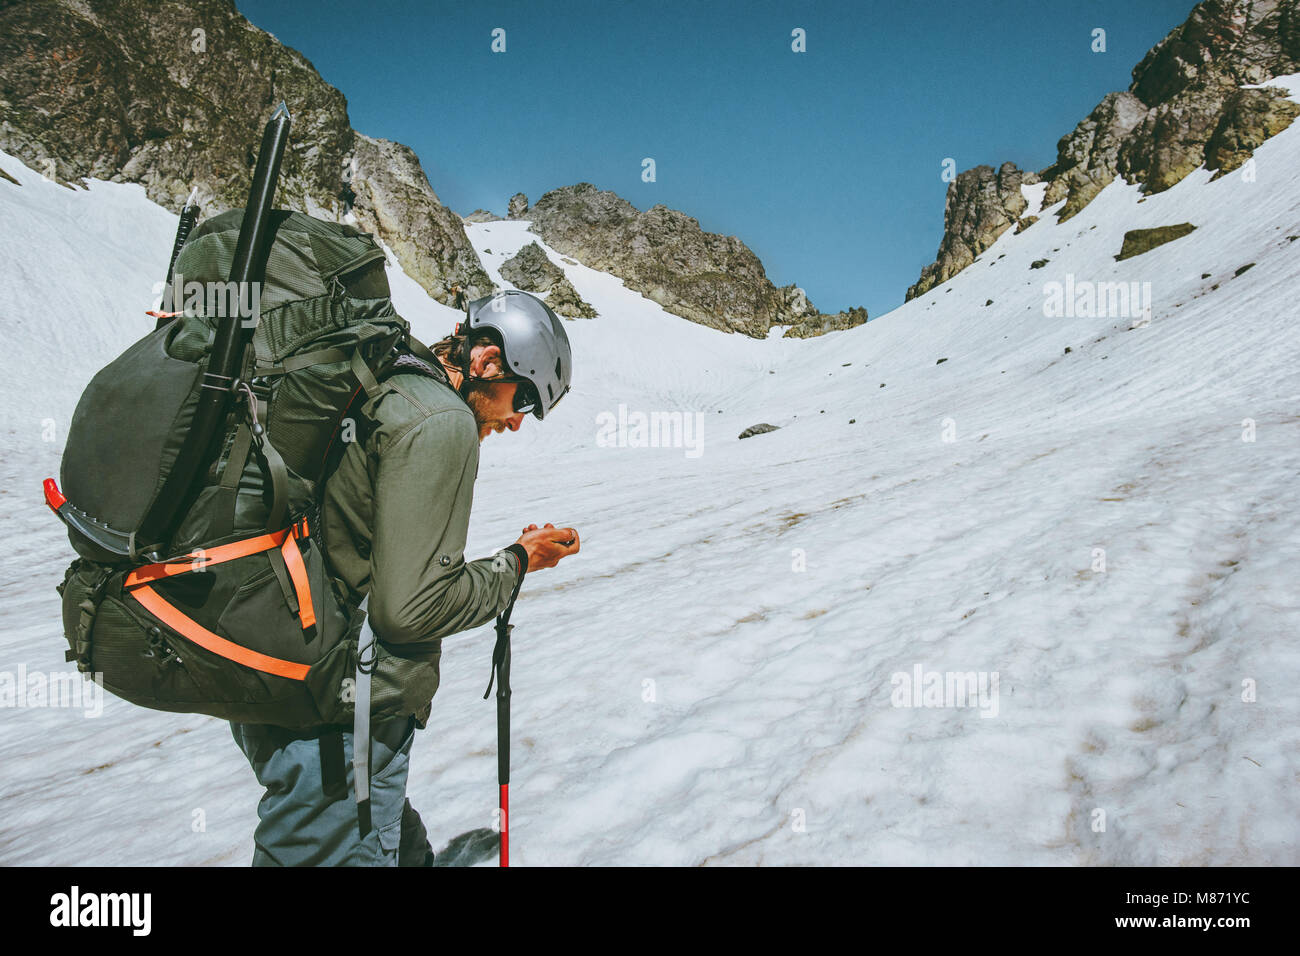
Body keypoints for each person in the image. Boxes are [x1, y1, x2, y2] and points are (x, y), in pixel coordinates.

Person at [229, 289, 579, 866]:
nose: (519, 422)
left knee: (396, 848)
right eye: (524, 400)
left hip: (290, 669)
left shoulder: (384, 382)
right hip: (342, 707)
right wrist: (516, 564)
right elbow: (410, 610)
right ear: (488, 363)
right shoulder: (441, 421)